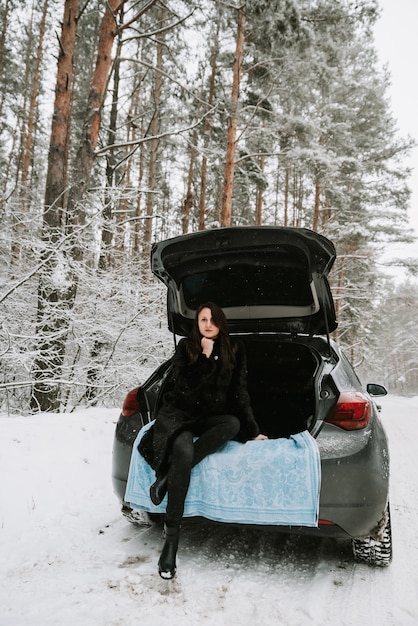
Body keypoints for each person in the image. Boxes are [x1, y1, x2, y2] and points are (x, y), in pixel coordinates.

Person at [138, 302, 268, 579]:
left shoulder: (234, 350)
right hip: (180, 415)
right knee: (183, 451)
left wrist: (253, 429)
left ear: (221, 322)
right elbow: (183, 388)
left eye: (212, 319)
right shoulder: (187, 348)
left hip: (210, 416)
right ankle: (171, 541)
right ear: (196, 324)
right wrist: (206, 359)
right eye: (202, 320)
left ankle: (166, 478)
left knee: (231, 424)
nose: (207, 324)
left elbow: (240, 393)